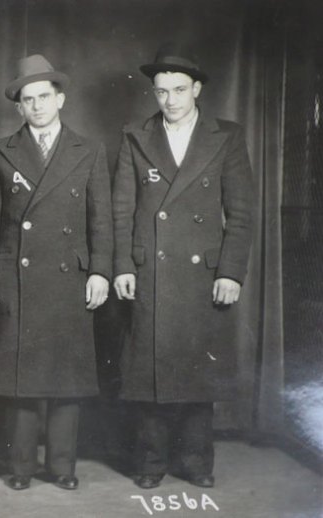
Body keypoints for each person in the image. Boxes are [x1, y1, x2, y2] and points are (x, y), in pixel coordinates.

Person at [111, 42, 254, 489]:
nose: (170, 100)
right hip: (150, 271)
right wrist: (122, 267)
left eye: (178, 89)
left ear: (196, 89)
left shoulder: (226, 136)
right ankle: (151, 463)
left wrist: (230, 271)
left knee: (197, 373)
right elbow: (121, 210)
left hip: (202, 275)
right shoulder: (136, 135)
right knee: (149, 376)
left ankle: (197, 464)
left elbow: (242, 212)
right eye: (161, 91)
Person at [0, 54, 112, 491]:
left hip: (70, 277)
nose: (36, 106)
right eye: (27, 100)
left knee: (66, 381)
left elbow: (100, 220)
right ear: (18, 107)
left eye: (44, 97)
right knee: (22, 381)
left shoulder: (88, 149)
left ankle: (63, 468)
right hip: (16, 274)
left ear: (60, 99)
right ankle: (21, 468)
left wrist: (101, 272)